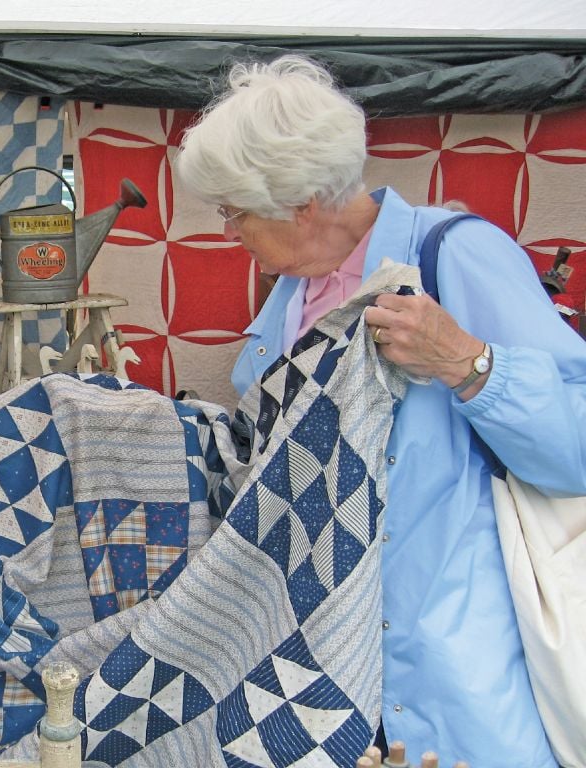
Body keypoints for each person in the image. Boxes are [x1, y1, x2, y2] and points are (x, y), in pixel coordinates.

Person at [175, 55, 586, 767]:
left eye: (234, 209)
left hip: (454, 679)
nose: (227, 230)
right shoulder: (289, 300)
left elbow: (576, 443)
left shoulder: (455, 256)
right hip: (319, 677)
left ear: (299, 201)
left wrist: (468, 363)